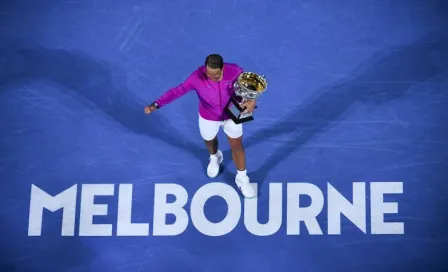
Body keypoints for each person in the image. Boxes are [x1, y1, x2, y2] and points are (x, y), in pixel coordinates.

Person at [144, 54, 256, 198]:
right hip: (208, 115)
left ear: (222, 68)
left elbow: (248, 87)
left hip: (234, 112)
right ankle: (215, 156)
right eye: (208, 73)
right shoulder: (197, 77)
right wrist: (156, 104)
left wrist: (251, 100)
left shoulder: (235, 70)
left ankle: (242, 178)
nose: (210, 76)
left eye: (215, 74)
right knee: (209, 140)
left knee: (237, 146)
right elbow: (176, 91)